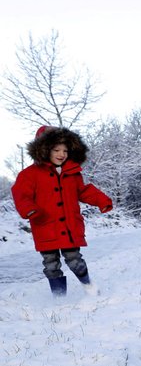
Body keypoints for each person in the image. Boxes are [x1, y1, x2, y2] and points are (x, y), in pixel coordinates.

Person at [11, 126, 113, 296]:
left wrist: (102, 200)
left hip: (69, 226)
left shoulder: (72, 173)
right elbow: (21, 194)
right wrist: (29, 210)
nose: (61, 154)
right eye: (56, 149)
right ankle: (59, 298)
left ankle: (90, 287)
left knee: (75, 259)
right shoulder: (29, 174)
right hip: (45, 226)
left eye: (65, 150)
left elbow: (83, 191)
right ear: (44, 150)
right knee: (51, 263)